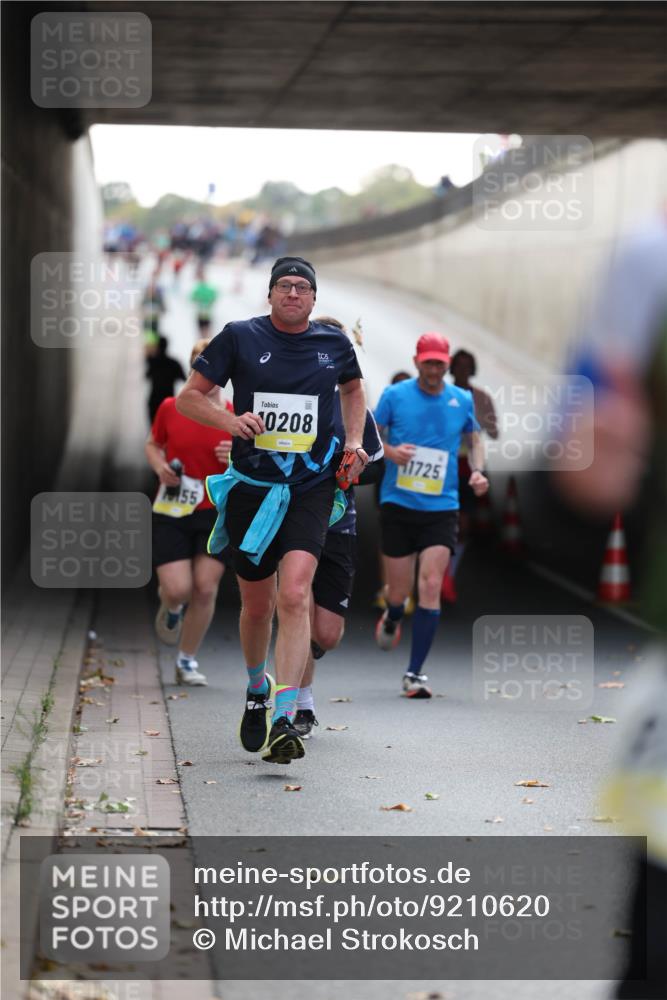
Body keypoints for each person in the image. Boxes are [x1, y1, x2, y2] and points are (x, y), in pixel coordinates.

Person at [176, 256, 367, 763]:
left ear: (313, 299)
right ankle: (257, 688)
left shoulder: (334, 346)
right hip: (253, 488)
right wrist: (228, 420)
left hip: (310, 486)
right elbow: (188, 400)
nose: (293, 294)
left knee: (297, 593)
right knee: (257, 605)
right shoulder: (239, 336)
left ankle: (285, 716)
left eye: (303, 288)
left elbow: (353, 389)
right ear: (270, 293)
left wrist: (352, 441)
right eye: (284, 285)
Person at [374, 332, 488, 698]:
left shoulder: (461, 399)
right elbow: (370, 435)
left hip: (442, 507)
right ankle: (392, 615)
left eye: (441, 362)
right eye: (429, 362)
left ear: (448, 363)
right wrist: (390, 452)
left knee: (430, 586)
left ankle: (415, 672)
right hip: (398, 504)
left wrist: (478, 471)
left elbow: (476, 438)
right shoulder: (395, 396)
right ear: (417, 361)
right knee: (399, 592)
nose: (435, 369)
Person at [294, 316, 385, 739]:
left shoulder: (356, 406)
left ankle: (303, 652)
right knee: (299, 605)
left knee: (326, 634)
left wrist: (353, 470)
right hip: (296, 520)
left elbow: (376, 464)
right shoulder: (293, 396)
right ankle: (302, 704)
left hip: (340, 524)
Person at [146, 340, 233, 686]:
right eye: (201, 365)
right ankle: (171, 604)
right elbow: (153, 443)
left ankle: (186, 660)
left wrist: (236, 456)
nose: (208, 373)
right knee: (179, 589)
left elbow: (257, 461)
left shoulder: (236, 412)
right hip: (173, 506)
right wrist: (160, 466)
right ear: (194, 369)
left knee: (205, 589)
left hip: (215, 510)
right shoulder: (171, 407)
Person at [444, 349, 499, 599]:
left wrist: (479, 422)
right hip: (443, 463)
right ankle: (439, 573)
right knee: (441, 520)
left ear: (473, 369)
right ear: (452, 368)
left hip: (469, 465)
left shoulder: (482, 398)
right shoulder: (440, 395)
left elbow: (495, 432)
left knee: (463, 525)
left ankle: (449, 573)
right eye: (459, 366)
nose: (463, 371)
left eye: (468, 366)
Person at [146, 336, 187, 424]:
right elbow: (185, 380)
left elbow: (147, 376)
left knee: (154, 430)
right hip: (167, 401)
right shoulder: (174, 363)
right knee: (166, 428)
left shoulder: (153, 362)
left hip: (154, 401)